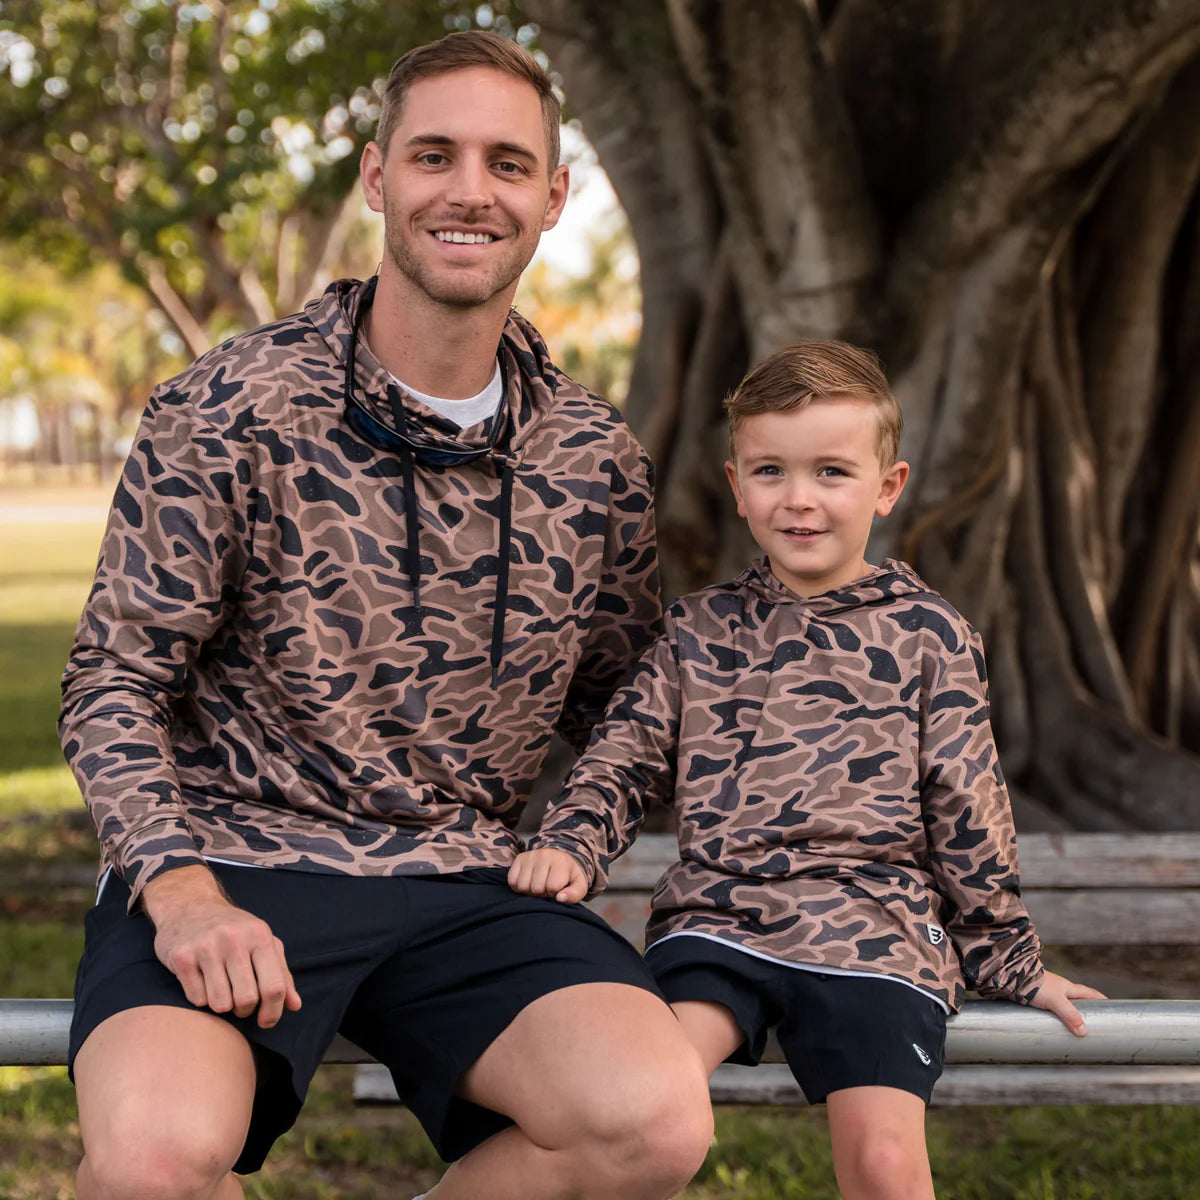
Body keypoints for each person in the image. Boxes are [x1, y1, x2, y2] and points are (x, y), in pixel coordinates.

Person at [59, 30, 713, 1200]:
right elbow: (113, 682)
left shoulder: (594, 456)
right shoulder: (226, 406)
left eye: (508, 163)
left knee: (649, 1122)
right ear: (377, 177)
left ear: (554, 197)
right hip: (230, 855)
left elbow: (634, 704)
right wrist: (180, 890)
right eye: (435, 156)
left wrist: (583, 837)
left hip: (465, 876)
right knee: (152, 1162)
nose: (471, 191)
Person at [510, 341, 1104, 1200]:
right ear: (736, 485)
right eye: (771, 472)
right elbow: (623, 759)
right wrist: (571, 842)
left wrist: (1006, 956)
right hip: (723, 921)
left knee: (885, 1164)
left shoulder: (931, 636)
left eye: (831, 472)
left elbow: (969, 807)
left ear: (887, 486)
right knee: (636, 1106)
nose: (799, 500)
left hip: (875, 933)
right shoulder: (698, 633)